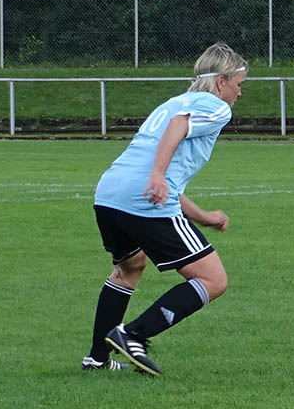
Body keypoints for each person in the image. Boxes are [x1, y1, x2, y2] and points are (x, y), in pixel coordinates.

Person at [81, 42, 246, 376]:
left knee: (130, 267)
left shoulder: (171, 102)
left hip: (109, 194)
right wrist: (157, 175)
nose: (239, 94)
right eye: (239, 85)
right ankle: (133, 334)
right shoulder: (214, 106)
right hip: (142, 199)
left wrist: (205, 217)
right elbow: (179, 128)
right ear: (221, 82)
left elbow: (165, 178)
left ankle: (97, 359)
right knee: (213, 280)